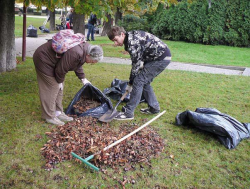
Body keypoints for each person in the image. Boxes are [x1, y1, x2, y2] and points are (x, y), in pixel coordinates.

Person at [107, 26, 171, 120]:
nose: (115, 44)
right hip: (155, 58)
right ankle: (154, 108)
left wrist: (130, 83)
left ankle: (128, 113)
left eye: (116, 40)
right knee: (144, 82)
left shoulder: (132, 43)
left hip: (160, 59)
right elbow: (139, 58)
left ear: (122, 34)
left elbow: (135, 66)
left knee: (138, 81)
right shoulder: (130, 38)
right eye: (113, 41)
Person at [33, 40, 103, 125]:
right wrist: (59, 82)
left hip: (54, 62)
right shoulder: (76, 52)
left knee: (60, 86)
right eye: (92, 62)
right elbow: (60, 69)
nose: (91, 64)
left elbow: (77, 63)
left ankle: (58, 112)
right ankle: (49, 116)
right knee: (53, 87)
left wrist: (83, 78)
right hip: (44, 59)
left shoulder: (85, 50)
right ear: (88, 55)